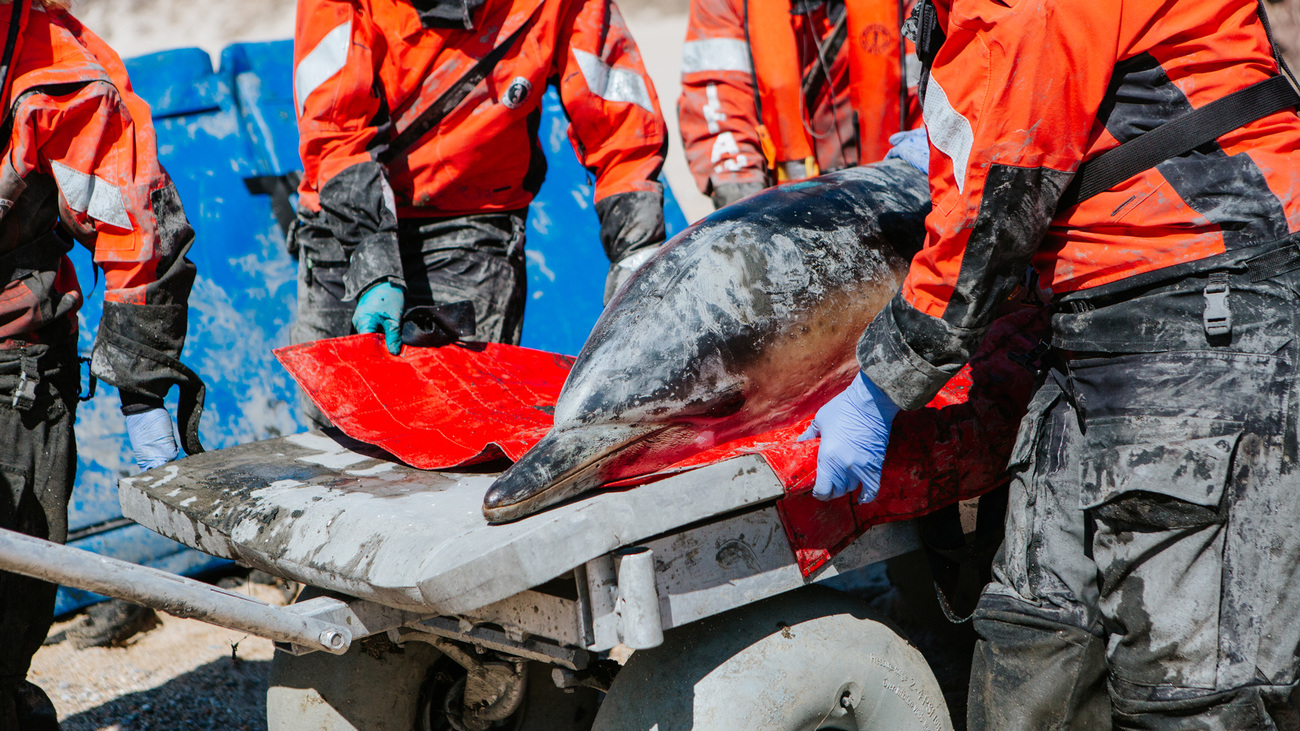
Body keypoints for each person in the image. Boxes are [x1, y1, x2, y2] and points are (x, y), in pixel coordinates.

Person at [805, 0, 1300, 725]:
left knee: (1195, 689)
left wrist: (885, 382)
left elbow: (1004, 188)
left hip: (1208, 302)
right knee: (1036, 636)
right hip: (1088, 317)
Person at [292, 0, 670, 424]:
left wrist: (638, 248)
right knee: (335, 421)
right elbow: (334, 133)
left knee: (454, 420)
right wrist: (373, 263)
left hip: (471, 223)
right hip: (344, 216)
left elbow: (620, 123)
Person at [0, 0, 204, 727]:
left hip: (12, 357)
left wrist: (144, 392)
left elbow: (136, 228)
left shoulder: (62, 77)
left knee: (11, 579)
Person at [678, 0, 922, 209]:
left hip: (891, 204)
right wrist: (749, 209)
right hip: (785, 211)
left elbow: (934, 105)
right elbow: (723, 109)